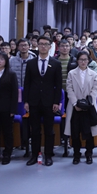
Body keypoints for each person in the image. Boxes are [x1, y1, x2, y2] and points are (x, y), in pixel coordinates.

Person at [23, 35, 63, 166]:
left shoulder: (56, 63)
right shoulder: (30, 63)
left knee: (49, 130)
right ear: (37, 45)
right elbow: (27, 83)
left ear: (50, 47)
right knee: (35, 130)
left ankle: (48, 155)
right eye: (41, 44)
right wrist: (26, 101)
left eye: (46, 44)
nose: (43, 46)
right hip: (34, 101)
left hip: (49, 102)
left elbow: (58, 85)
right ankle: (34, 155)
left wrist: (56, 102)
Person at [64, 50, 97, 164]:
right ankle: (76, 154)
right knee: (75, 132)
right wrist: (75, 103)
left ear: (88, 61)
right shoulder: (71, 73)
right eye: (81, 60)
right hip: (75, 107)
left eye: (85, 60)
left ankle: (89, 154)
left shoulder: (93, 74)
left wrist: (88, 103)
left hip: (89, 107)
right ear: (77, 61)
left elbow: (95, 89)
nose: (83, 62)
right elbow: (69, 89)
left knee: (89, 132)